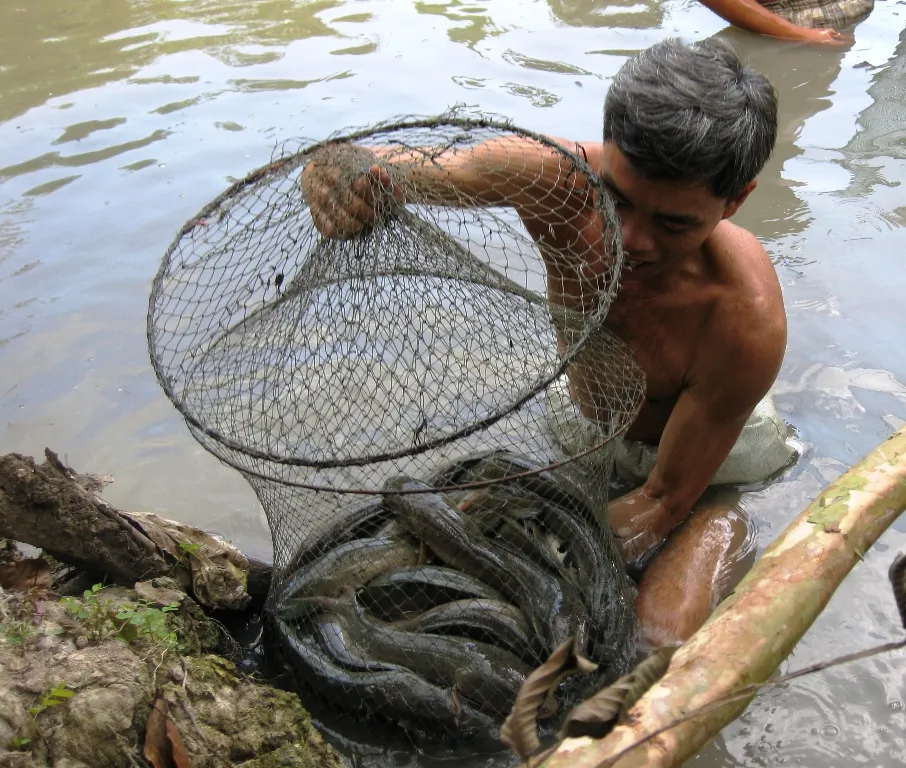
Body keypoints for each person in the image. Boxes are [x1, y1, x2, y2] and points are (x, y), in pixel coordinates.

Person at [300, 38, 798, 651]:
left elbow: (661, 502)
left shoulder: (743, 320)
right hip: (587, 422)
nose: (632, 239)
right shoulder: (546, 177)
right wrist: (332, 179)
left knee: (658, 633)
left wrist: (516, 559)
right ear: (604, 153)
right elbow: (368, 169)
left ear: (737, 200)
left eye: (674, 224)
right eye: (617, 198)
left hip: (702, 465)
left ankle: (725, 523)